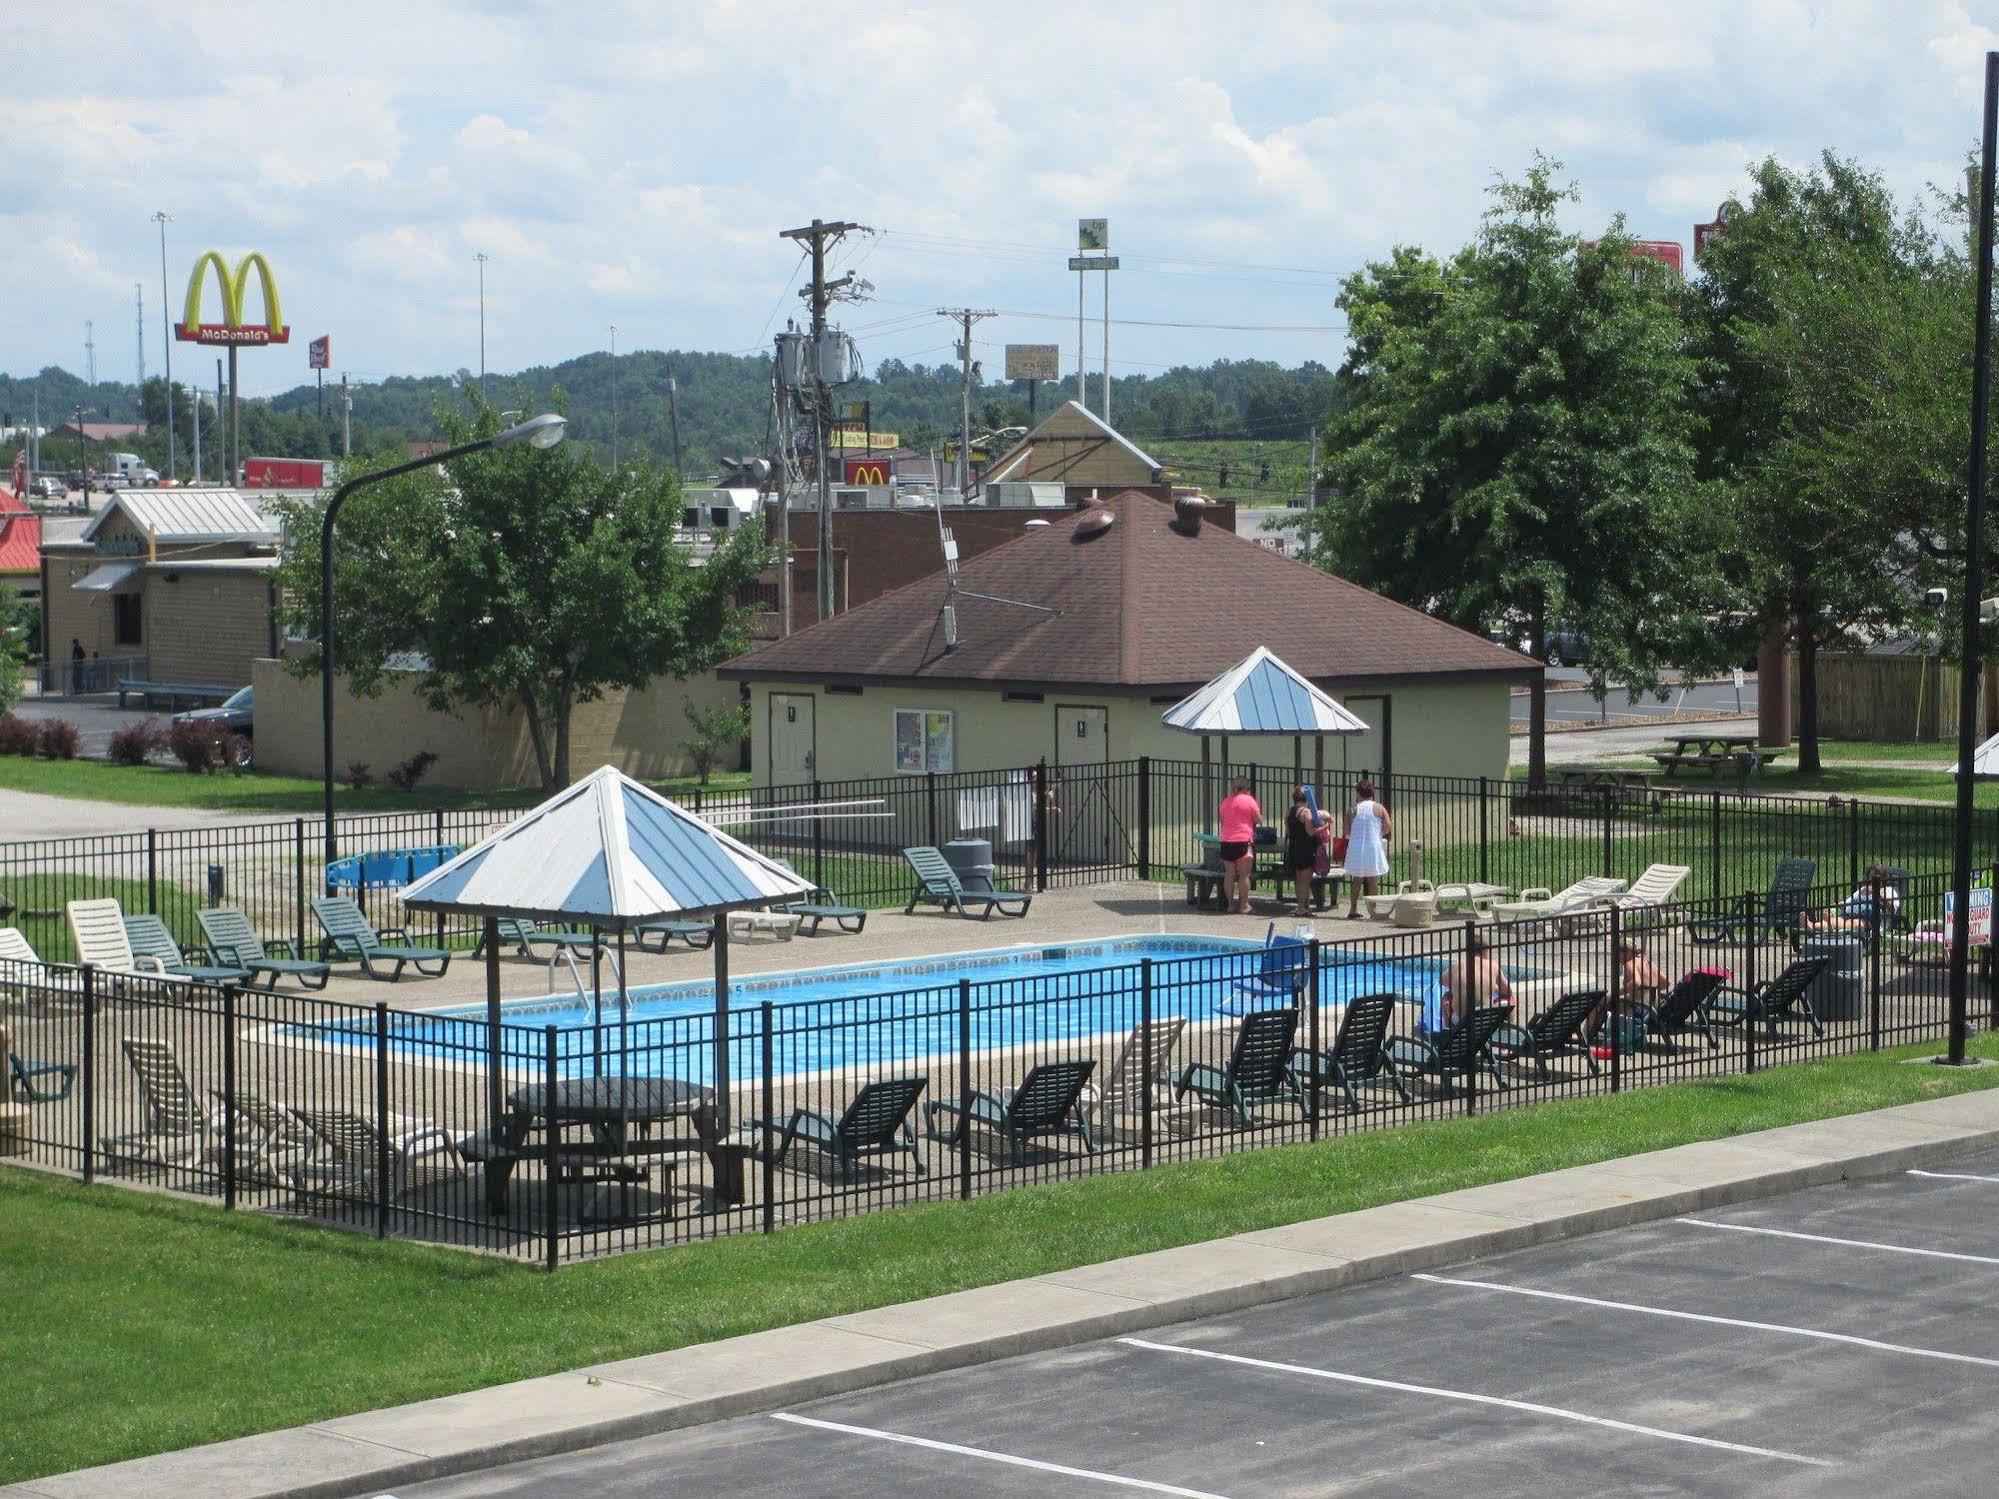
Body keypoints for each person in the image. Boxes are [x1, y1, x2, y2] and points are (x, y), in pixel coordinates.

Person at [1436, 931, 1511, 1032]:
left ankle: (1449, 1031)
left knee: (1446, 996)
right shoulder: (1493, 966)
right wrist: (1493, 989)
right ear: (1486, 951)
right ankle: (1507, 1031)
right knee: (1509, 999)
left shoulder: (1457, 966)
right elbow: (1507, 991)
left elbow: (1441, 981)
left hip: (1462, 1021)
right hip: (1485, 1020)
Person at [1596, 938, 1668, 1039]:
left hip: (1635, 1008)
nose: (1616, 957)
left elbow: (1636, 982)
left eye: (1617, 953)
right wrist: (1649, 990)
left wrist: (1616, 993)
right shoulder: (1647, 962)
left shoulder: (1630, 963)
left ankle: (1585, 1034)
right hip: (1649, 1008)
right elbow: (1665, 982)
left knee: (1601, 1001)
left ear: (1627, 951)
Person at [1341, 777, 1393, 918]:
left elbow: (1346, 830)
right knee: (1373, 879)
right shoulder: (1378, 808)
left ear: (1359, 793)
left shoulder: (1352, 810)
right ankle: (1373, 910)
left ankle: (1352, 909)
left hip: (1357, 847)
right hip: (1373, 846)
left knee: (1356, 879)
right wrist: (1378, 832)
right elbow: (1388, 826)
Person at [1802, 864, 1901, 936]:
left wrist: (1879, 896)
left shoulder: (1888, 891)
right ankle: (1812, 926)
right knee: (1834, 920)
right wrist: (1833, 905)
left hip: (1869, 919)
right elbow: (1848, 902)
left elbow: (1892, 908)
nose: (1872, 879)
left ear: (1884, 879)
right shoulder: (1863, 889)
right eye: (1871, 877)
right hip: (1850, 914)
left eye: (1877, 877)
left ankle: (1831, 930)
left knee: (1856, 924)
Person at [1216, 779, 1261, 915]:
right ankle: (1244, 905)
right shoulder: (1249, 800)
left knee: (1229, 874)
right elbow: (1258, 819)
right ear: (1247, 789)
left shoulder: (1225, 802)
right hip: (1243, 840)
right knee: (1244, 875)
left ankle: (1230, 904)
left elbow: (1222, 820)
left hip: (1226, 840)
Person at [1283, 787, 1328, 917]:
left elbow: (1288, 832)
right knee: (1306, 880)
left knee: (1298, 879)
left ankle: (1301, 906)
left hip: (1294, 847)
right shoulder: (1305, 812)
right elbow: (1310, 832)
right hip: (1306, 848)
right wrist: (1323, 827)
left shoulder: (1289, 812)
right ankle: (1303, 907)